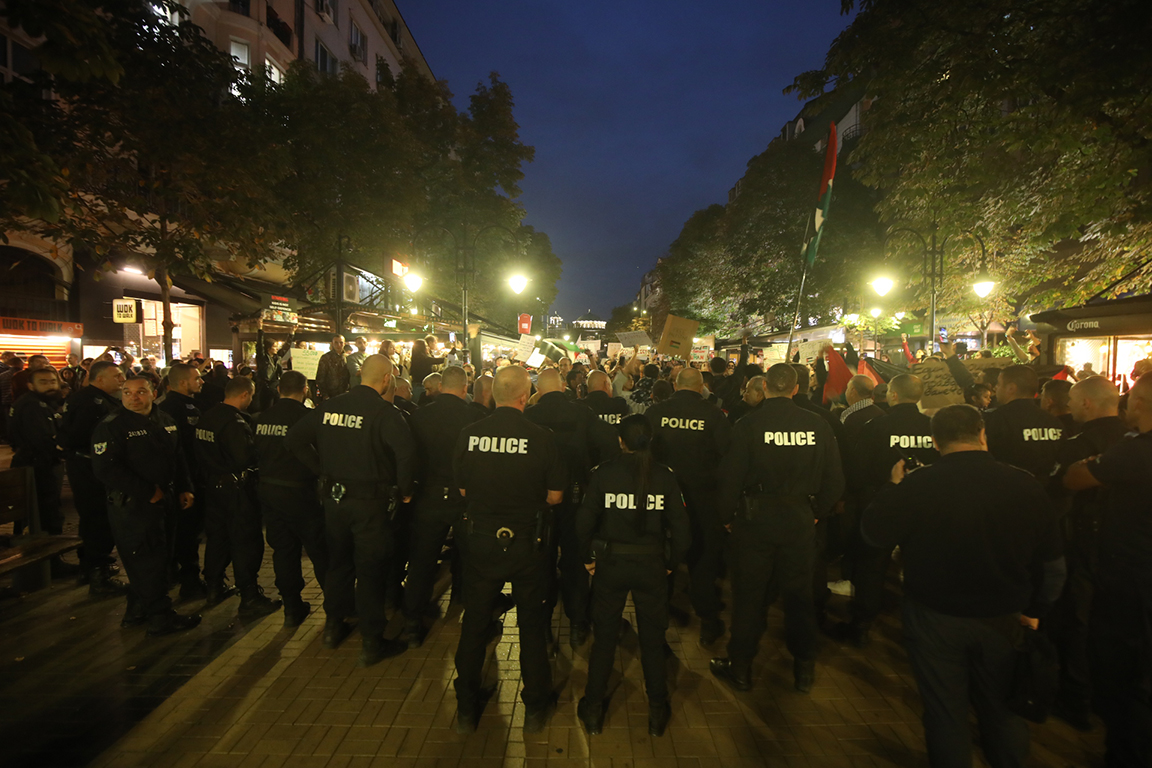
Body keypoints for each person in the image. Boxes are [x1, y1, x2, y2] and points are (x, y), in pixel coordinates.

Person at [862, 405, 1065, 768]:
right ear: (982, 433)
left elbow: (875, 533)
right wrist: (1037, 611)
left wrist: (893, 486)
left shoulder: (918, 484)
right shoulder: (1024, 483)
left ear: (935, 440)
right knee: (1003, 708)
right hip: (1004, 615)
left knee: (944, 710)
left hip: (934, 615)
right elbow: (1052, 565)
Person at [711, 363, 843, 693]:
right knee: (799, 596)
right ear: (796, 388)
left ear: (766, 386)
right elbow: (835, 480)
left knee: (750, 596)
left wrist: (726, 516)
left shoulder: (748, 424)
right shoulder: (817, 425)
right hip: (798, 519)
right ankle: (804, 668)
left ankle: (740, 667)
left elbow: (730, 479)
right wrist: (815, 512)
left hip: (756, 519)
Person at [451, 365, 566, 734]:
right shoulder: (542, 437)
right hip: (527, 542)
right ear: (524, 395)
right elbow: (555, 496)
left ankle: (467, 707)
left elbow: (464, 490)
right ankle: (535, 706)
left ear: (493, 395)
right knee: (532, 625)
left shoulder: (469, 435)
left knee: (474, 624)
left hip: (480, 541)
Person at [287, 355, 415, 666]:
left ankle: (333, 627)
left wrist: (321, 470)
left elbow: (294, 439)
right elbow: (406, 455)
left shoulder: (330, 407)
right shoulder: (385, 413)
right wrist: (406, 491)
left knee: (339, 565)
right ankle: (371, 642)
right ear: (386, 379)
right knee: (370, 570)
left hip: (334, 501)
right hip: (370, 504)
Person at [575, 415, 691, 737]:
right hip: (651, 566)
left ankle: (594, 709)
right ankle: (656, 711)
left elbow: (583, 523)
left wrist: (587, 559)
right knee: (653, 641)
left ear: (620, 441)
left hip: (610, 566)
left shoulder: (603, 475)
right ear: (649, 441)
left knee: (605, 639)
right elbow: (682, 530)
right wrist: (670, 563)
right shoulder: (664, 477)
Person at [1063, 372, 1152, 766]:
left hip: (1128, 575)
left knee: (1124, 674)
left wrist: (1089, 465)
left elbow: (1075, 477)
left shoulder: (1135, 450)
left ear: (1140, 404)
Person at [832, 373, 938, 647]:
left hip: (882, 501)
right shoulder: (932, 426)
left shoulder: (877, 426)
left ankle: (862, 625)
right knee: (922, 564)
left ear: (893, 395)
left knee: (872, 565)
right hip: (925, 504)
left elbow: (858, 468)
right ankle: (918, 626)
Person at [1046, 375, 1127, 731]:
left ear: (1087, 404)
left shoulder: (1078, 443)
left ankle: (1076, 698)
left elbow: (1054, 487)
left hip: (1082, 542)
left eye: (1076, 401)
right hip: (1124, 548)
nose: (1071, 407)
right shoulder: (1132, 440)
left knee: (1076, 619)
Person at [91, 376, 202, 635]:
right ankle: (160, 617)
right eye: (127, 392)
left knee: (160, 558)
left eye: (140, 392)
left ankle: (138, 609)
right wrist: (146, 491)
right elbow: (105, 468)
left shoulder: (164, 420)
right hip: (134, 506)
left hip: (166, 501)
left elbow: (179, 456)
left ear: (154, 394)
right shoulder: (112, 425)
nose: (133, 398)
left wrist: (185, 486)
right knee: (146, 560)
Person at [526, 368, 620, 649]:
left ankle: (541, 624)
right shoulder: (582, 413)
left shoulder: (529, 417)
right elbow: (610, 446)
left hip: (538, 501)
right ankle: (578, 622)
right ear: (565, 386)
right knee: (575, 561)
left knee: (539, 561)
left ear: (537, 390)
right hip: (575, 497)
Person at [645, 367, 732, 644]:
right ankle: (707, 620)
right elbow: (728, 456)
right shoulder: (714, 415)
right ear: (701, 387)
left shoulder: (655, 413)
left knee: (661, 554)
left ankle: (658, 615)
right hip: (702, 500)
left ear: (675, 384)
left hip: (662, 499)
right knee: (703, 560)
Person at [403, 365, 485, 647]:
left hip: (429, 495)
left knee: (422, 560)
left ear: (440, 387)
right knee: (471, 557)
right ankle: (469, 608)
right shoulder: (475, 416)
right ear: (465, 387)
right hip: (465, 497)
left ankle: (412, 622)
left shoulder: (420, 415)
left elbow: (409, 456)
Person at [196, 376, 281, 616]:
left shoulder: (208, 416)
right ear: (244, 394)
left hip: (213, 487)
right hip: (236, 490)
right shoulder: (235, 422)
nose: (251, 401)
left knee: (218, 538)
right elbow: (244, 457)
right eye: (251, 396)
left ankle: (214, 586)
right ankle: (250, 595)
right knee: (246, 541)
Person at [252, 370, 328, 628]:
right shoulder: (306, 418)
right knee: (320, 550)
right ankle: (335, 605)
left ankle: (292, 608)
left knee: (283, 551)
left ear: (279, 389)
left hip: (269, 491)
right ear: (304, 389)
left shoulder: (262, 418)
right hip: (300, 492)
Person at [58, 360, 127, 592]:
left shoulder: (94, 398)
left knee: (94, 518)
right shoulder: (91, 402)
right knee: (97, 517)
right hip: (89, 467)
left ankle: (93, 565)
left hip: (88, 465)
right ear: (99, 379)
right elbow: (84, 437)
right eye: (116, 376)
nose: (121, 379)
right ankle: (98, 573)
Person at [156, 363, 207, 599]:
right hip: (184, 480)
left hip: (186, 478)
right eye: (197, 378)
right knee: (187, 532)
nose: (202, 382)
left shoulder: (177, 406)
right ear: (184, 382)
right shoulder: (172, 410)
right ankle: (189, 581)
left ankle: (175, 574)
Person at [8, 368, 67, 537]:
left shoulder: (43, 403)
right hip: (37, 466)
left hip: (39, 463)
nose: (50, 386)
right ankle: (48, 560)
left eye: (52, 381)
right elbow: (42, 440)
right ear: (31, 385)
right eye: (43, 382)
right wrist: (62, 450)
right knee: (44, 514)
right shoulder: (32, 406)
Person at [984, 365, 1065, 480]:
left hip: (1010, 487)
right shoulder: (1053, 421)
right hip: (1048, 490)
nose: (995, 388)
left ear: (1011, 388)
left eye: (999, 384)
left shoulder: (996, 419)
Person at [315, 335, 349, 402]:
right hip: (330, 393)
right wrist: (324, 394)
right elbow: (320, 377)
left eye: (341, 342)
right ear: (332, 343)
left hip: (345, 393)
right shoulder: (326, 357)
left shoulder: (347, 358)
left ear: (344, 344)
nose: (338, 345)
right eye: (336, 342)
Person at [410, 337, 443, 402]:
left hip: (416, 386)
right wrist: (450, 355)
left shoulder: (416, 359)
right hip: (421, 387)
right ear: (421, 348)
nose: (428, 348)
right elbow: (438, 360)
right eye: (426, 346)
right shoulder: (423, 359)